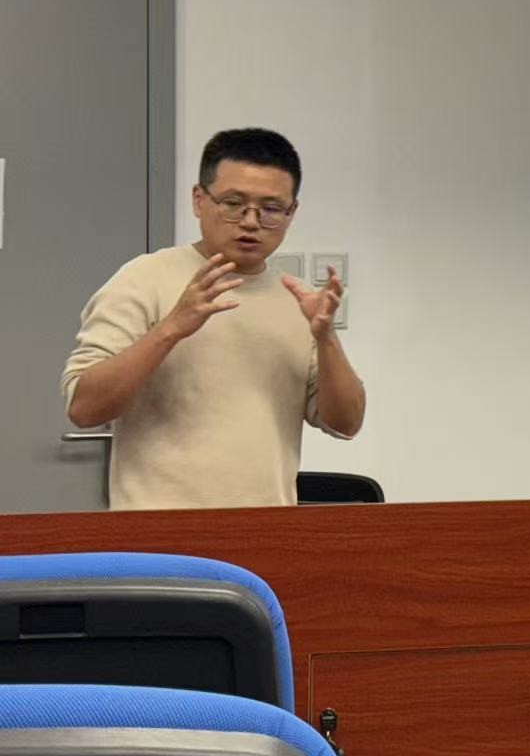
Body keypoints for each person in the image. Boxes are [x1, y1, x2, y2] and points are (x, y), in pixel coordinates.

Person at [62, 128, 365, 509]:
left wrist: (326, 338)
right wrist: (170, 329)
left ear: (292, 213)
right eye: (233, 203)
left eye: (271, 209)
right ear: (199, 200)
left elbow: (346, 424)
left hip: (267, 529)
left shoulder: (299, 301)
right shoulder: (143, 279)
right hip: (156, 531)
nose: (251, 221)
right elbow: (85, 409)